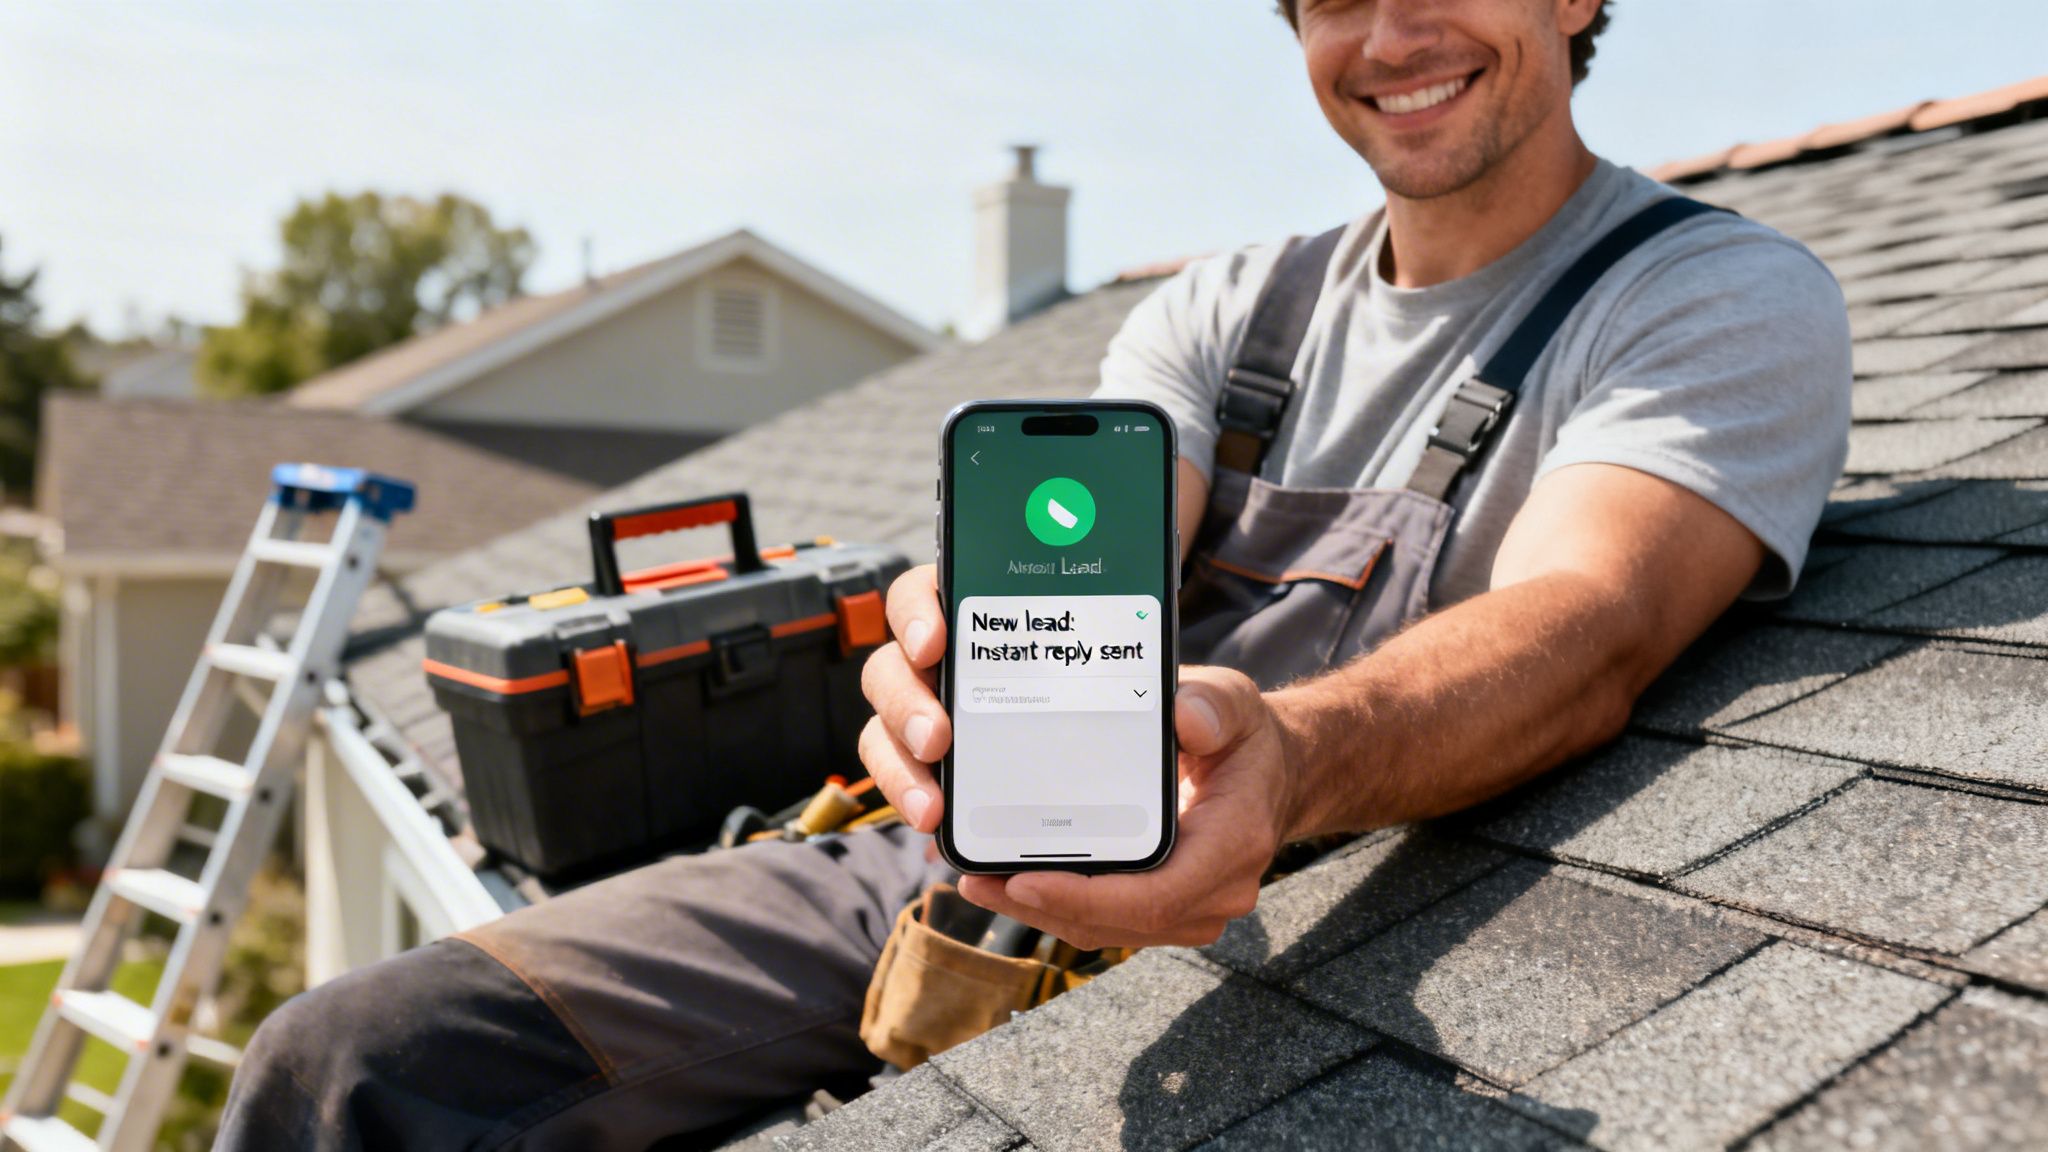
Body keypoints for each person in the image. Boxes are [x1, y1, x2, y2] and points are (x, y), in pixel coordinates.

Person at [216, 1, 1851, 1148]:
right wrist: (957, 656)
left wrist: (1282, 760)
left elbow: (1589, 628)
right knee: (352, 1062)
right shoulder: (1229, 310)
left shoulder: (1710, 298)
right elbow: (1083, 551)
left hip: (1333, 908)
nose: (1390, 37)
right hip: (967, 864)